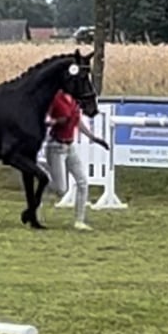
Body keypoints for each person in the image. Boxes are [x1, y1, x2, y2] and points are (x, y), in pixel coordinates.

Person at [41, 88, 110, 231]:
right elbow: (45, 119)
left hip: (70, 146)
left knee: (82, 182)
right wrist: (56, 121)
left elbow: (77, 121)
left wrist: (93, 137)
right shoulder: (55, 98)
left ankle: (79, 221)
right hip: (56, 146)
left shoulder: (73, 100)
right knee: (61, 189)